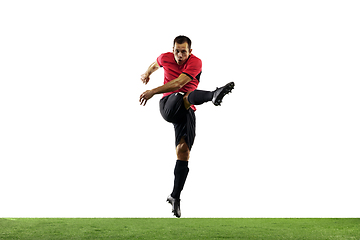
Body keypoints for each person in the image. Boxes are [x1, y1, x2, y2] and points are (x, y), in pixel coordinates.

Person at [139, 35, 234, 218]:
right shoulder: (165, 57)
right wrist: (147, 74)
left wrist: (152, 90)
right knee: (184, 94)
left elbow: (179, 82)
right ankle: (213, 95)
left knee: (183, 152)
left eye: (184, 51)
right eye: (177, 51)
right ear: (172, 50)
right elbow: (155, 64)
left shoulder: (196, 62)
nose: (180, 55)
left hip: (186, 109)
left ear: (190, 51)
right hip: (169, 104)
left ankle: (175, 196)